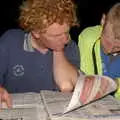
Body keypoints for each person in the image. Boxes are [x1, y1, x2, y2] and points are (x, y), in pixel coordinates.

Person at [0, 0, 80, 108]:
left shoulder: (70, 47)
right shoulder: (10, 41)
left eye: (66, 32)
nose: (65, 40)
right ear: (36, 32)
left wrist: (58, 49)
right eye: (56, 35)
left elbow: (66, 86)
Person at [78, 2, 120, 99]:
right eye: (106, 41)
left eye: (117, 48)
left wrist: (117, 84)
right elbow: (86, 78)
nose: (109, 50)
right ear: (103, 20)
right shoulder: (88, 38)